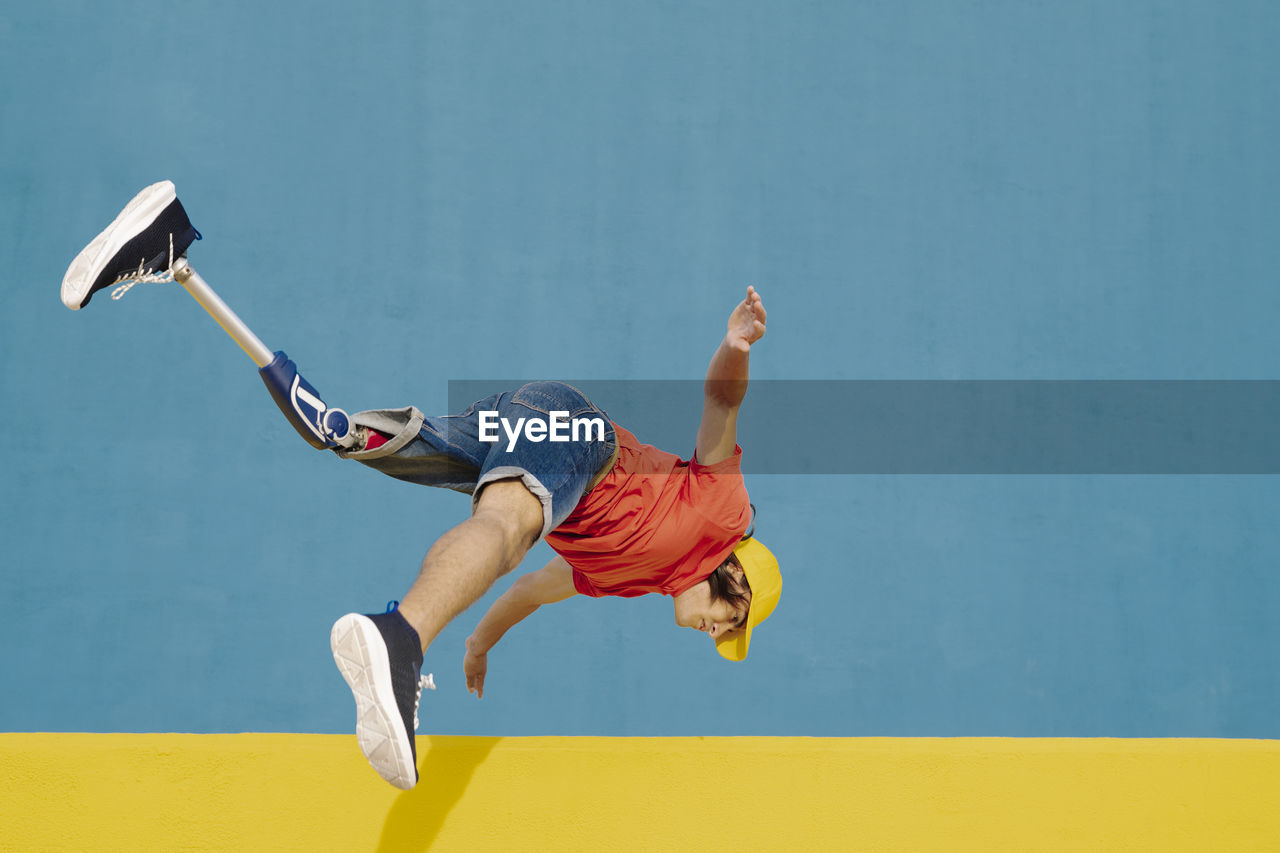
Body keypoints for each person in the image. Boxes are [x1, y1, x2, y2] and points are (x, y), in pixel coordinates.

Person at [60, 183, 782, 791]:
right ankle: (399, 636)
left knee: (337, 432)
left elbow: (532, 590)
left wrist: (479, 643)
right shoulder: (724, 515)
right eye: (731, 621)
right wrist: (736, 346)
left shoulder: (633, 576)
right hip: (575, 436)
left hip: (524, 428)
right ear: (737, 581)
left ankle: (168, 249)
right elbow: (722, 408)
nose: (718, 632)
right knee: (507, 529)